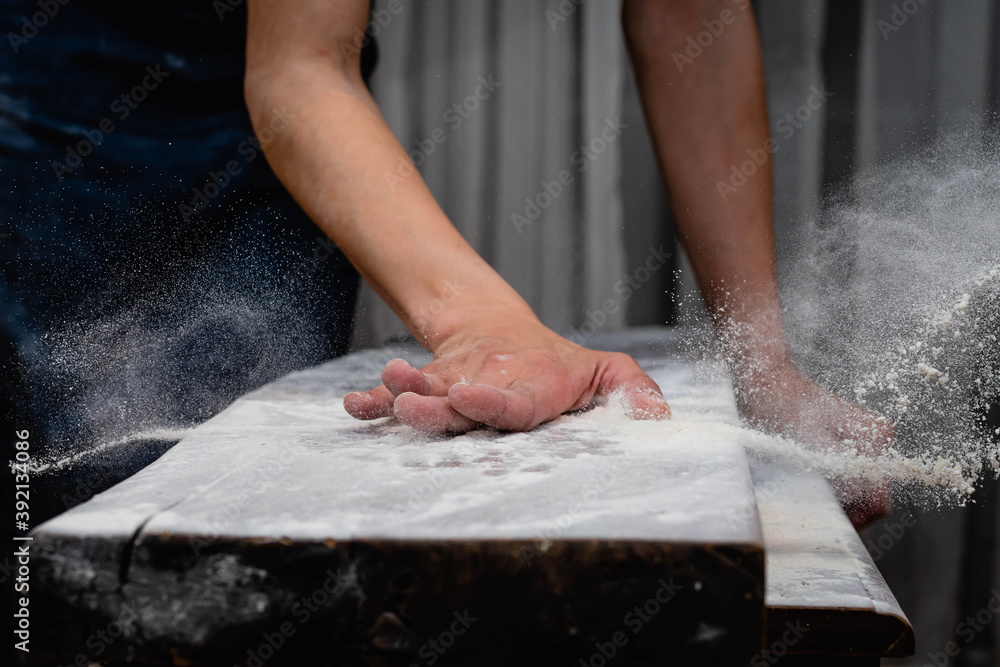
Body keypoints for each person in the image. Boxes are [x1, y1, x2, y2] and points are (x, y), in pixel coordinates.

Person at [1, 0, 888, 527]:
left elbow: (692, 15)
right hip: (75, 96)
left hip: (293, 113)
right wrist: (485, 325)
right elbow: (298, 69)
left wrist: (762, 361)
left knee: (262, 521)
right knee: (82, 522)